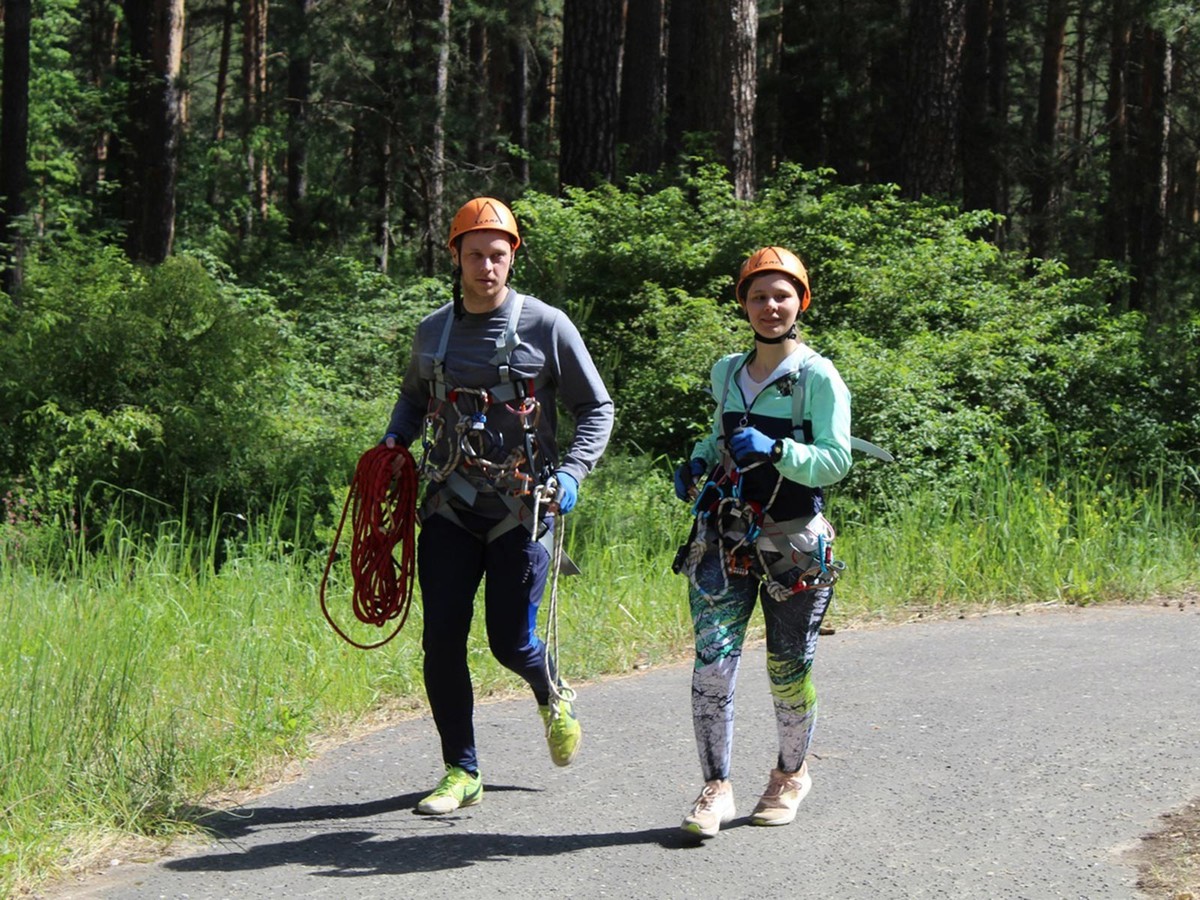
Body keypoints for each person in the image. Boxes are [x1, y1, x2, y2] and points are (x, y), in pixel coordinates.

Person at [383, 197, 613, 815]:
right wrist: (392, 442)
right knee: (442, 643)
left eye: (498, 255)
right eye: (475, 254)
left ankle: (550, 689)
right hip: (449, 509)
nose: (487, 266)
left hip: (523, 510)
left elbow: (597, 408)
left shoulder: (547, 326)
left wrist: (572, 472)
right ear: (454, 257)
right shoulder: (433, 331)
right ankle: (461, 770)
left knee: (510, 643)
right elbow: (411, 400)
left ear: (513, 259)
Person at [672, 246, 852, 839]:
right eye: (757, 296)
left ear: (801, 302)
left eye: (781, 296)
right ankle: (715, 787)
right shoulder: (727, 371)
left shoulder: (817, 376)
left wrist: (779, 451)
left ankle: (790, 774)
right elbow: (715, 434)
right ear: (743, 303)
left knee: (787, 666)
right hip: (722, 539)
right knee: (712, 665)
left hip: (794, 544)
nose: (769, 307)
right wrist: (698, 460)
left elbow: (835, 461)